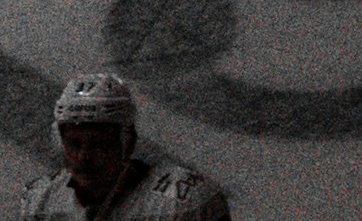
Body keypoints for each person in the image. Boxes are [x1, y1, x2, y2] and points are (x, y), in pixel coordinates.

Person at [17, 71, 232, 220]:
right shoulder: (41, 201)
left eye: (99, 145)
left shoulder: (184, 201)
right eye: (74, 144)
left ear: (127, 143)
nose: (84, 157)